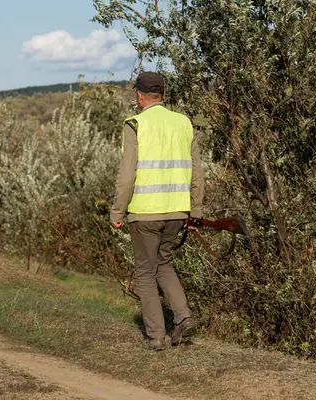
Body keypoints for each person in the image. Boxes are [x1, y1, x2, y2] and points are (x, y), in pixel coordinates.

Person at [110, 71, 204, 351]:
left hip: (145, 213)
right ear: (162, 95)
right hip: (177, 211)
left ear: (139, 96)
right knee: (163, 263)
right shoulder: (184, 123)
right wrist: (195, 209)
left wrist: (117, 211)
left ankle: (156, 337)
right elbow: (197, 172)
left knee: (145, 273)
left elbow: (127, 174)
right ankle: (183, 317)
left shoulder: (135, 124)